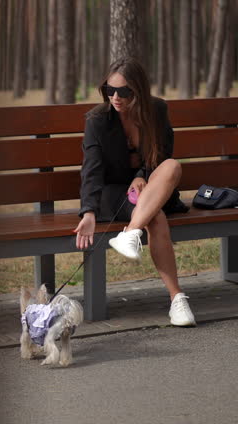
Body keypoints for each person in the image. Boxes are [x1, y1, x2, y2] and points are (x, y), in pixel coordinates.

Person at [73, 57, 196, 327]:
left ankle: (131, 234)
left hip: (151, 187)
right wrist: (89, 212)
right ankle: (176, 298)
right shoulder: (97, 120)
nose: (116, 97)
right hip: (113, 194)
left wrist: (142, 177)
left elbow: (162, 154)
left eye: (124, 92)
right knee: (156, 217)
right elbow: (91, 169)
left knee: (172, 166)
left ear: (138, 91)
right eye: (110, 90)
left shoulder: (157, 110)